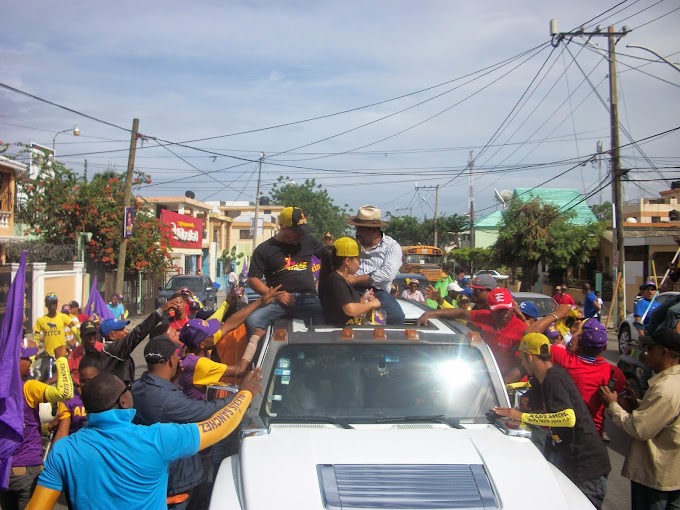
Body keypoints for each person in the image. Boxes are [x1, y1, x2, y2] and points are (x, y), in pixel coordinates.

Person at [26, 369, 262, 510]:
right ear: (123, 402)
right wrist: (245, 393)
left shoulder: (63, 450)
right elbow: (218, 427)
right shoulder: (157, 438)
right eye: (127, 387)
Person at [131, 336, 255, 509]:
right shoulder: (167, 399)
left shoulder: (138, 386)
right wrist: (242, 394)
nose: (179, 359)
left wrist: (174, 381)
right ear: (169, 361)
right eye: (176, 356)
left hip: (157, 473)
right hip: (178, 482)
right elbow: (206, 411)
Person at [493, 333, 611, 509]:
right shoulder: (547, 377)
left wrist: (521, 416)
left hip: (587, 470)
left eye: (523, 360)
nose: (523, 364)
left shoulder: (553, 379)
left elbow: (567, 418)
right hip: (574, 463)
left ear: (530, 357)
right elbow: (526, 388)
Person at [599, 328, 680, 510]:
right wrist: (639, 404)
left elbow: (639, 429)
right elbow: (667, 416)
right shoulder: (672, 383)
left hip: (657, 476)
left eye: (650, 349)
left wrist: (613, 405)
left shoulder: (665, 389)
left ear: (664, 352)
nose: (645, 353)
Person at [245, 206, 325, 363]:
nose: (300, 235)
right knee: (253, 320)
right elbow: (253, 279)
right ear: (282, 227)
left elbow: (328, 257)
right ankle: (257, 364)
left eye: (302, 231)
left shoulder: (308, 240)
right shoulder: (264, 249)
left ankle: (320, 361)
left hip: (307, 297)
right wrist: (275, 294)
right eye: (296, 231)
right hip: (277, 301)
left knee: (324, 318)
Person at [0, 345, 73, 510]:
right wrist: (61, 359)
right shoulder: (28, 387)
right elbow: (65, 393)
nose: (30, 361)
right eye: (25, 358)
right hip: (26, 470)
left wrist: (44, 427)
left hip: (4, 470)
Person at [418, 288, 527, 382]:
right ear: (490, 310)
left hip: (510, 385)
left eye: (506, 310)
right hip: (488, 377)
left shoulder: (522, 331)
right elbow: (461, 313)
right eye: (499, 311)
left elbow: (521, 367)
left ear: (512, 307)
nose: (504, 314)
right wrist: (430, 314)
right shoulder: (485, 317)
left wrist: (499, 386)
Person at [344, 205, 404, 325]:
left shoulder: (391, 246)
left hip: (378, 291)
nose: (357, 232)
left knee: (397, 316)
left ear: (373, 230)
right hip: (351, 290)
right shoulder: (351, 244)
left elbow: (387, 274)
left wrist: (355, 279)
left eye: (360, 229)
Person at [318, 237, 382, 326]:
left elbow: (345, 304)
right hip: (338, 334)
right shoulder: (336, 280)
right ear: (348, 261)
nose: (360, 263)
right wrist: (372, 304)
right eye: (358, 259)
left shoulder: (341, 279)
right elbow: (350, 309)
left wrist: (362, 300)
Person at [53, 354, 104, 443]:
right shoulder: (69, 399)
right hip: (75, 447)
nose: (87, 385)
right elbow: (62, 433)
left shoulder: (107, 398)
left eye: (91, 381)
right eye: (83, 381)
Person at [34, 293, 81, 381]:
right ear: (46, 305)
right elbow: (36, 337)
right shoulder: (40, 321)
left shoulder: (63, 317)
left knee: (64, 380)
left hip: (62, 356)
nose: (53, 306)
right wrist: (35, 352)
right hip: (48, 356)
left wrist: (80, 342)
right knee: (43, 380)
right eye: (51, 303)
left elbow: (75, 330)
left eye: (55, 303)